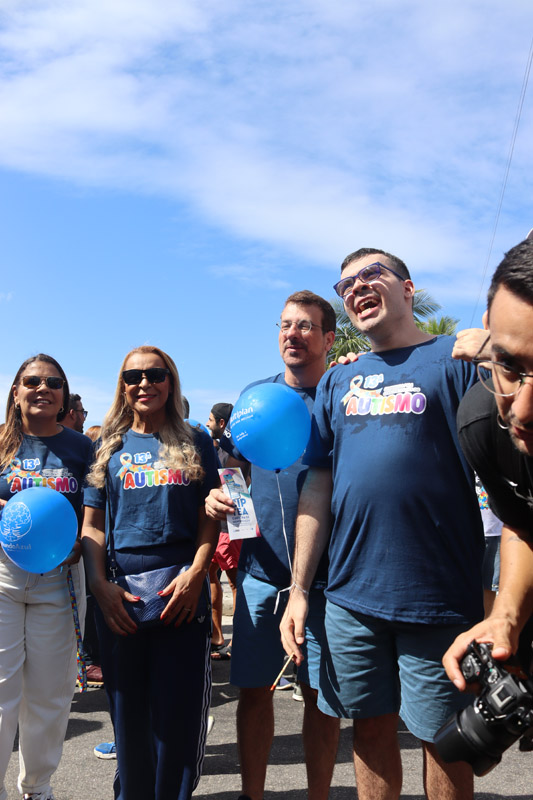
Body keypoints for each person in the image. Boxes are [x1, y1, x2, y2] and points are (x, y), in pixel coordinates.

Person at [281, 249, 484, 800]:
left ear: (408, 287)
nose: (357, 287)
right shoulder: (336, 381)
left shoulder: (457, 359)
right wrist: (300, 590)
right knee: (368, 730)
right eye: (346, 284)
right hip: (352, 594)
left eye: (373, 274)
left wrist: (495, 349)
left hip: (438, 591)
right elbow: (316, 487)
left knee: (443, 737)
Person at [205, 290, 340, 800]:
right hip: (261, 573)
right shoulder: (253, 395)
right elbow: (235, 466)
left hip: (329, 579)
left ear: (328, 338)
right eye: (285, 325)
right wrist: (223, 496)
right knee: (254, 693)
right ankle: (253, 795)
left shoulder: (340, 392)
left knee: (320, 698)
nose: (292, 334)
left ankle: (318, 795)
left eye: (305, 326)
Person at [81, 345, 219, 800]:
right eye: (134, 376)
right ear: (122, 386)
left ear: (171, 381)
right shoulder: (108, 444)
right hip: (120, 597)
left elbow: (210, 516)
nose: (145, 383)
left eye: (155, 374)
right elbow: (93, 526)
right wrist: (99, 587)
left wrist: (198, 573)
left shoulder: (196, 440)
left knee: (176, 721)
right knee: (129, 720)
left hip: (181, 591)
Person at [0, 354, 93, 800]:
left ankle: (37, 789)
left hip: (59, 579)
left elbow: (98, 514)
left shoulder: (82, 448)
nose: (42, 388)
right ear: (15, 392)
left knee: (50, 695)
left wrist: (81, 542)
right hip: (2, 577)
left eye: (53, 382)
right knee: (0, 696)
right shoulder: (0, 442)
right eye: (32, 381)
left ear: (64, 394)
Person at [443, 237, 533, 689]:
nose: (522, 410)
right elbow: (524, 522)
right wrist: (506, 619)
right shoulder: (483, 423)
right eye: (510, 366)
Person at [206, 402, 239, 659]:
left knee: (235, 582)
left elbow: (237, 486)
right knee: (213, 577)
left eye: (210, 420)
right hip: (218, 527)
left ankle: (238, 641)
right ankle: (217, 637)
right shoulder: (215, 450)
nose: (207, 424)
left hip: (231, 527)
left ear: (222, 423)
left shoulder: (232, 452)